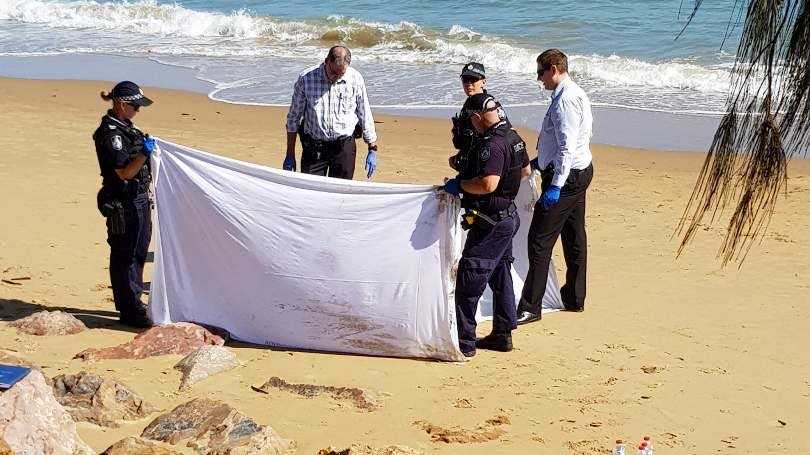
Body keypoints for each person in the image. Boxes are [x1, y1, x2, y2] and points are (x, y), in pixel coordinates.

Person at [442, 93, 531, 357]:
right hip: (508, 217)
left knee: (470, 279)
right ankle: (503, 334)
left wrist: (460, 185)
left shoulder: (492, 145)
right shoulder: (514, 137)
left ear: (478, 117)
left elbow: (487, 184)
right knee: (500, 274)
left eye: (472, 121)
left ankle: (464, 343)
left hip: (490, 222)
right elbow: (525, 172)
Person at [517, 49, 594, 325]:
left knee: (538, 240)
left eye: (540, 72)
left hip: (568, 176)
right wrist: (539, 163)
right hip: (578, 171)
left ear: (553, 69)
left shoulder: (566, 101)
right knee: (574, 236)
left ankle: (530, 307)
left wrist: (555, 186)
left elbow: (566, 148)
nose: (539, 79)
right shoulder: (571, 93)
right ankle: (574, 297)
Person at [93, 81, 156, 328]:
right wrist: (144, 154)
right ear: (121, 104)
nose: (137, 111)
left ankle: (134, 302)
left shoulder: (126, 127)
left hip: (138, 199)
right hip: (123, 202)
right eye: (134, 106)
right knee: (125, 256)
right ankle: (129, 309)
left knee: (138, 253)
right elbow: (125, 173)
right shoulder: (111, 134)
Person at [284, 45, 378, 180]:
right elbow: (293, 118)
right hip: (314, 148)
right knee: (312, 193)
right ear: (326, 61)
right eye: (333, 73)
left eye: (341, 74)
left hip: (343, 147)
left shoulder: (355, 79)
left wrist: (372, 148)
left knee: (341, 195)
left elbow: (364, 112)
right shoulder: (306, 79)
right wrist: (290, 153)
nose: (336, 78)